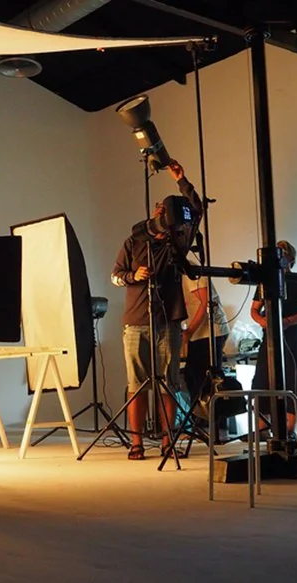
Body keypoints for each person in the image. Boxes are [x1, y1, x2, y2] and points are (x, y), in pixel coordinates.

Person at [112, 159, 199, 460]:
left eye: (168, 212)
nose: (163, 215)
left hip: (169, 322)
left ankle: (167, 440)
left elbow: (196, 211)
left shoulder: (179, 241)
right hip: (136, 321)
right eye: (160, 210)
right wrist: (132, 276)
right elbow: (115, 276)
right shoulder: (134, 241)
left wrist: (181, 180)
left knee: (169, 384)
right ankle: (136, 442)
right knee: (137, 385)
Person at [248, 240, 297, 439]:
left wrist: (288, 321)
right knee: (262, 380)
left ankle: (289, 428)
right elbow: (254, 309)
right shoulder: (265, 283)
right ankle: (262, 426)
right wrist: (262, 321)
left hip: (292, 338)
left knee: (293, 380)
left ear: (290, 259)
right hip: (269, 339)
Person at [177, 255, 230, 434]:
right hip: (200, 332)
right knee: (193, 376)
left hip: (210, 331)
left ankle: (213, 424)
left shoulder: (190, 271)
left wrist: (189, 331)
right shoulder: (181, 273)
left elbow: (205, 303)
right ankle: (204, 422)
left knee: (205, 378)